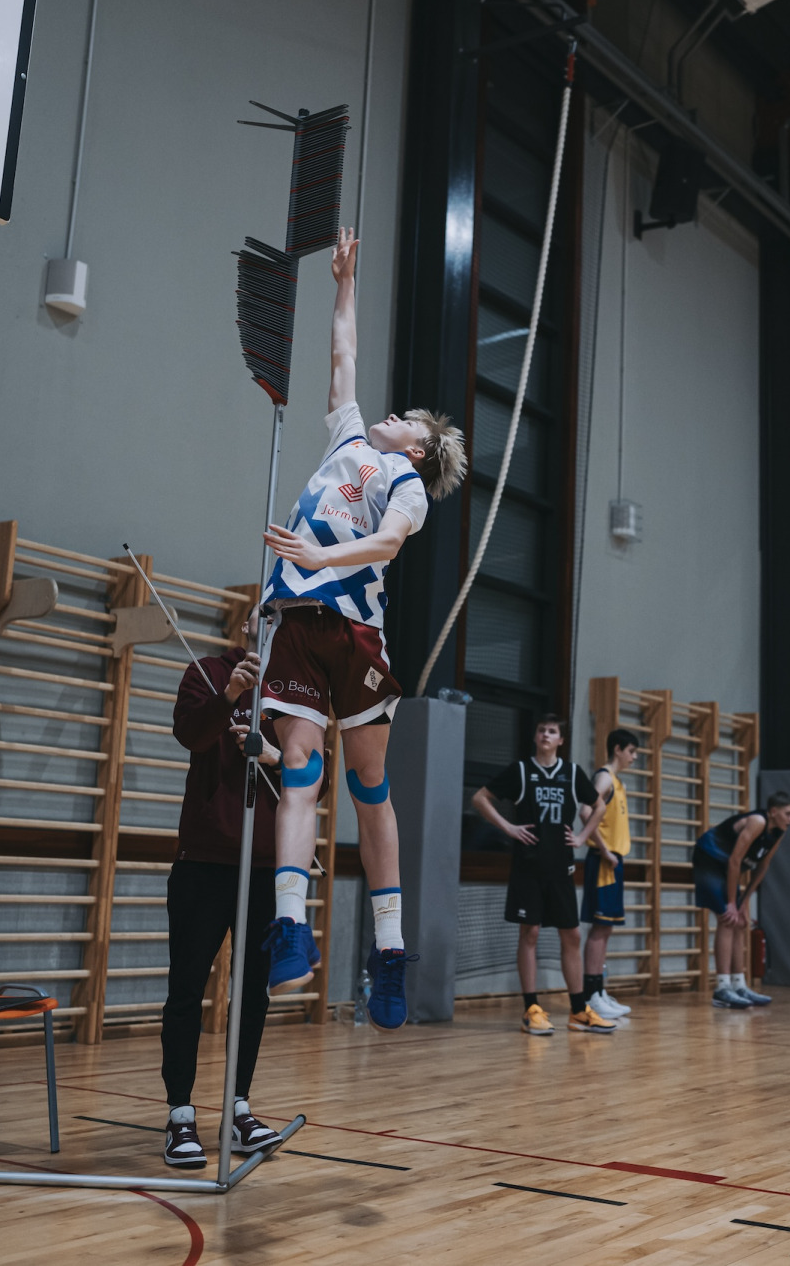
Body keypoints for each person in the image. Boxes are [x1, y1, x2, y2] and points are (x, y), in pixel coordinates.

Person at [256, 227, 465, 1029]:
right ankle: (289, 925)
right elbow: (342, 352)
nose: (393, 414)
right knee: (297, 767)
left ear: (421, 447)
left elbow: (388, 544)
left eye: (409, 419)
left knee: (368, 788)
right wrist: (343, 282)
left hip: (354, 634)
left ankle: (388, 949)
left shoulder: (406, 484)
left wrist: (321, 554)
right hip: (297, 625)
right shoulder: (346, 434)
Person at [161, 613, 295, 1169]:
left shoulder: (292, 694)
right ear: (245, 623)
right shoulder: (207, 672)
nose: (272, 624)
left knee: (253, 993)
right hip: (204, 863)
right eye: (265, 615)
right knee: (187, 990)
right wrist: (231, 696)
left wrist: (275, 758)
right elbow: (189, 734)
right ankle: (180, 1116)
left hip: (263, 869)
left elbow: (314, 780)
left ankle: (239, 1108)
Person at [471, 714, 617, 1035]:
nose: (546, 735)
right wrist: (508, 827)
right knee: (531, 934)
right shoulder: (522, 771)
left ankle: (579, 1010)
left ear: (561, 740)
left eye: (552, 731)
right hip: (528, 867)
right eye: (541, 730)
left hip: (561, 867)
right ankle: (532, 1009)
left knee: (572, 935)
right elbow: (480, 798)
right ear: (535, 736)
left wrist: (582, 837)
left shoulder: (572, 773)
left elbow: (599, 806)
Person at [692, 792, 790, 1008]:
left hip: (728, 867)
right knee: (727, 918)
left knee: (741, 922)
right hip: (710, 858)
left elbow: (763, 865)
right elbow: (735, 861)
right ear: (773, 812)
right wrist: (731, 903)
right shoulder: (757, 822)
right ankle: (722, 988)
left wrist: (745, 900)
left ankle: (739, 985)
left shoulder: (779, 832)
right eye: (788, 814)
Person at [579, 728, 638, 1019]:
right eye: (631, 751)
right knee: (599, 928)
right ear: (617, 749)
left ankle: (599, 991)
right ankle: (590, 995)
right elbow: (584, 810)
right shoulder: (604, 777)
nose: (634, 757)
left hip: (613, 860)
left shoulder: (617, 782)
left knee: (606, 928)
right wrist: (603, 850)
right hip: (604, 859)